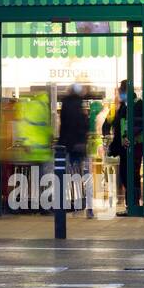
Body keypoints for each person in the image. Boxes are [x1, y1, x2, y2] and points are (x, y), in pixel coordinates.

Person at [102, 80, 143, 213]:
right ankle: (130, 205)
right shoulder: (124, 106)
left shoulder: (137, 105)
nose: (120, 94)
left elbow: (139, 125)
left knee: (132, 175)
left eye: (121, 91)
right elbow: (117, 126)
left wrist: (129, 138)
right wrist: (113, 147)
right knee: (126, 175)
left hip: (135, 146)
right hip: (125, 147)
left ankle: (134, 205)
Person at [58, 82, 92, 218]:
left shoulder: (67, 104)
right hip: (80, 145)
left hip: (69, 145)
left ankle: (73, 203)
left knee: (70, 174)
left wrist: (61, 143)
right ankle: (86, 206)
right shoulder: (80, 105)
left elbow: (64, 127)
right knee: (83, 175)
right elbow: (84, 125)